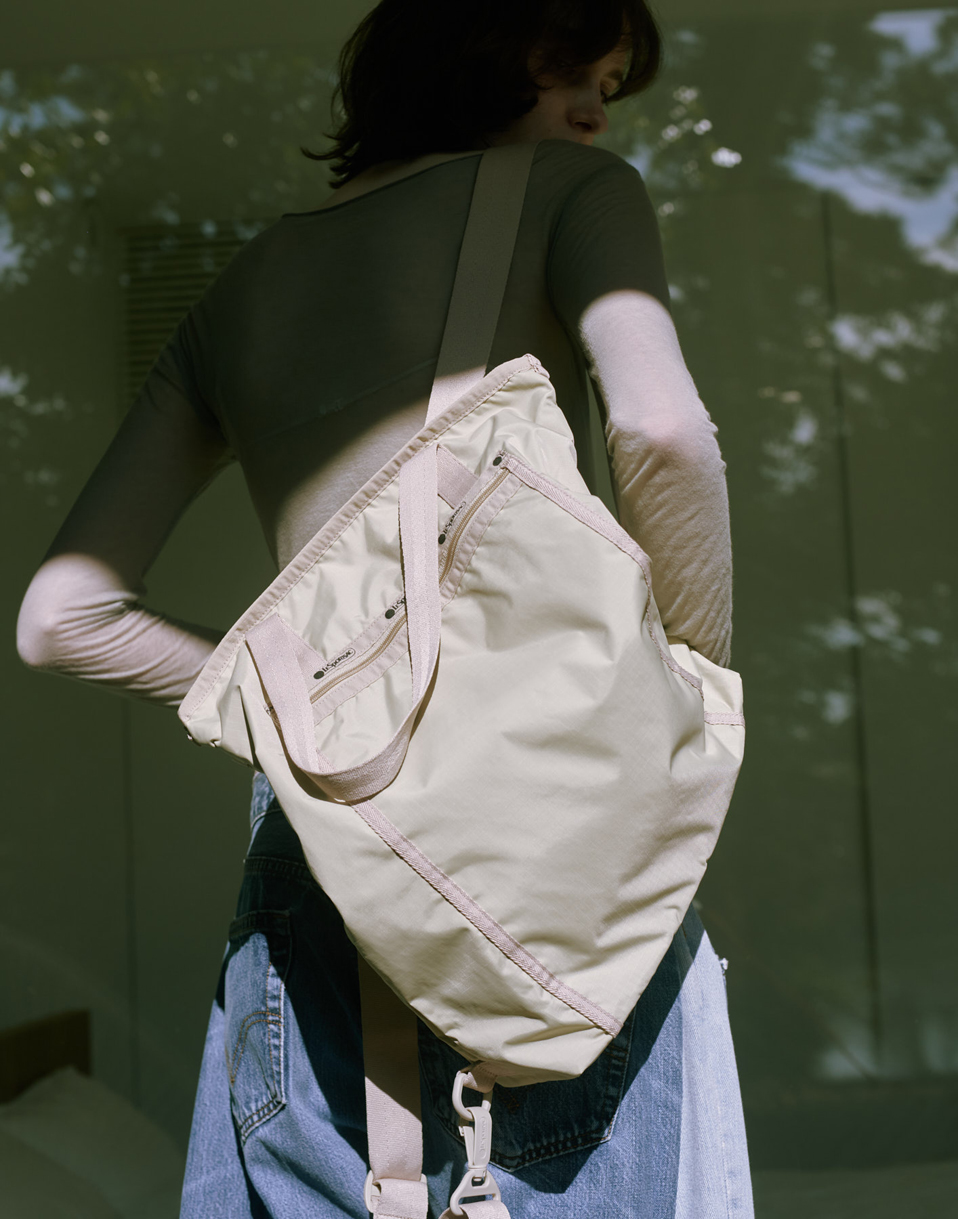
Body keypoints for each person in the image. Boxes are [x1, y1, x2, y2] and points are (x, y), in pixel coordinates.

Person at [16, 0, 753, 1214]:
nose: (596, 106)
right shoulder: (575, 192)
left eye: (613, 81)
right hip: (538, 819)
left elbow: (61, 617)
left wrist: (308, 712)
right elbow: (662, 433)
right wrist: (691, 687)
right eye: (574, 63)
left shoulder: (237, 288)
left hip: (319, 850)